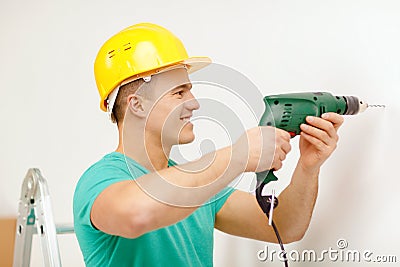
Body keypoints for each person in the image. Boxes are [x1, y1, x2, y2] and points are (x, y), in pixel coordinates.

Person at [73, 23, 344, 267]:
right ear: (137, 104)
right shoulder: (100, 180)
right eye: (179, 92)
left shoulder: (195, 186)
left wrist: (309, 166)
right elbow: (137, 213)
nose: (194, 102)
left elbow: (285, 226)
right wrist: (237, 156)